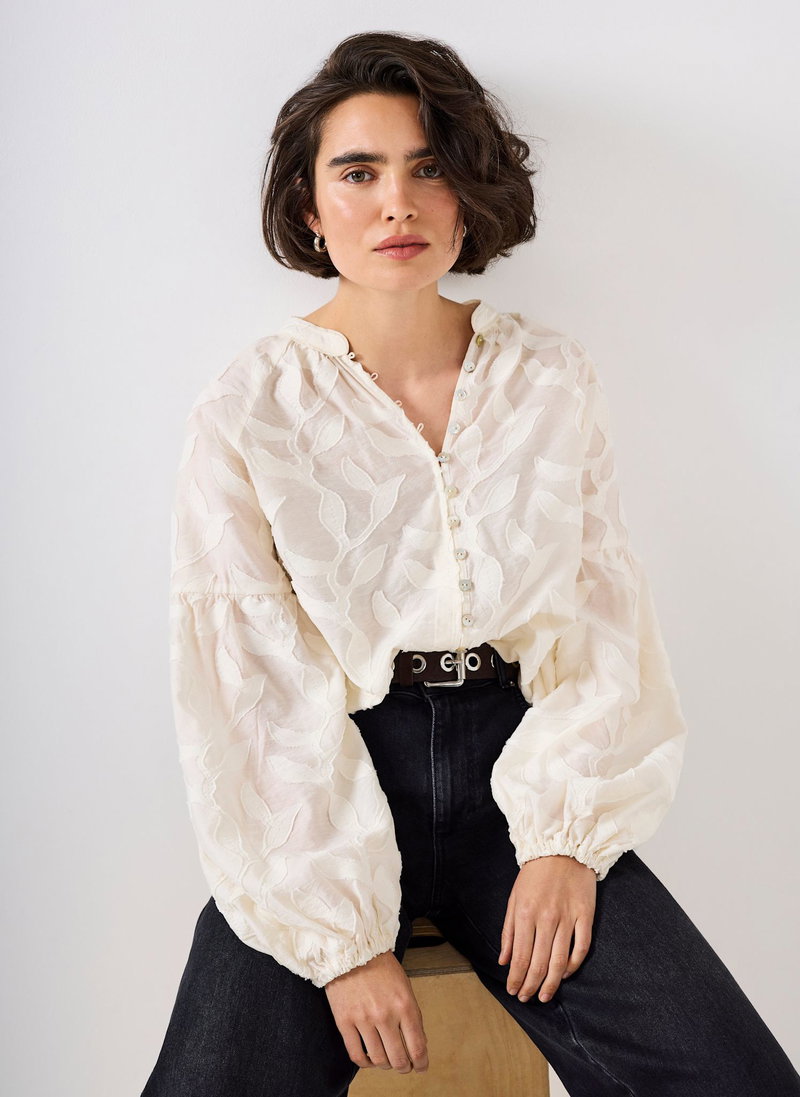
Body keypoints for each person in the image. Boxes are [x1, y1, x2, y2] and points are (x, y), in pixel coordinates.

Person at [141, 30, 800, 1097]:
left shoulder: (547, 377)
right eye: (358, 173)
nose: (396, 204)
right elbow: (249, 680)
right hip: (335, 775)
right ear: (310, 207)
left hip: (519, 770)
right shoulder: (251, 405)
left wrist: (564, 840)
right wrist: (342, 941)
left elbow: (600, 617)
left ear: (466, 196)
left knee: (735, 1077)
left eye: (428, 167)